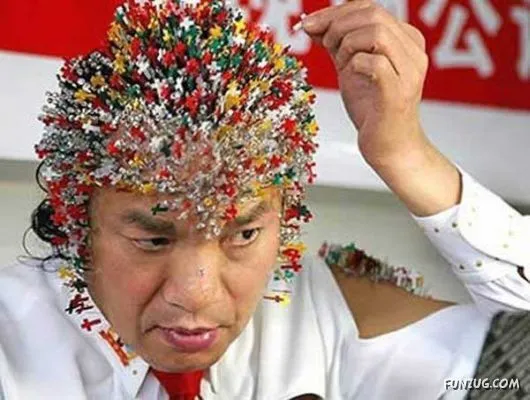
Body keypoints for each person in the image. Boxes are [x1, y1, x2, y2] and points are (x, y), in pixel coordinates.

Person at [0, 0, 528, 399]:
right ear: (77, 221)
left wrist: (408, 158)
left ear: (285, 216)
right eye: (154, 240)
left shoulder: (325, 308)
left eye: (244, 234)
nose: (198, 295)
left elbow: (513, 373)